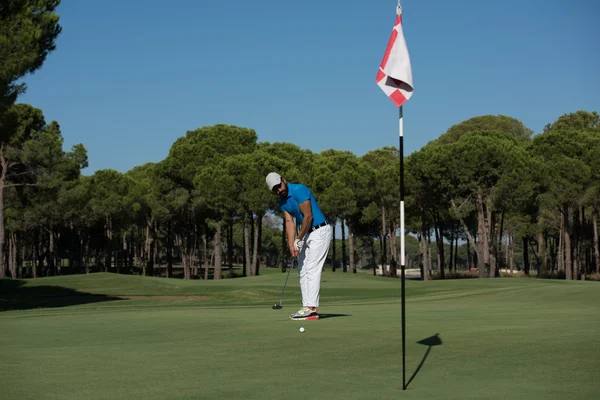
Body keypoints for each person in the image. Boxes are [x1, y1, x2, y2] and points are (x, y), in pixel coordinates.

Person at [266, 172, 332, 320]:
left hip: (319, 230)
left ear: (283, 180)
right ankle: (306, 307)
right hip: (307, 233)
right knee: (301, 269)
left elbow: (308, 216)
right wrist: (292, 244)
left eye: (279, 186)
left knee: (311, 268)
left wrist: (299, 238)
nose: (279, 190)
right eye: (275, 189)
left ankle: (311, 309)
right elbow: (289, 222)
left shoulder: (299, 190)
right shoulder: (282, 202)